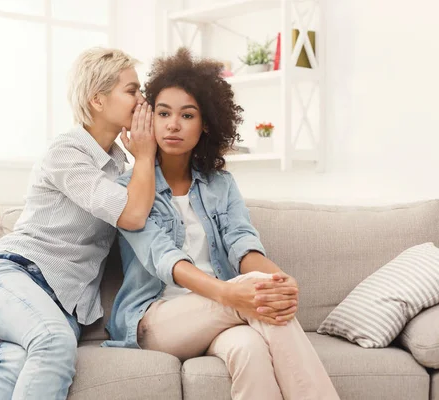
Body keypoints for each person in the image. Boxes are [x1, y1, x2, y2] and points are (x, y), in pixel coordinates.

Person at [104, 48, 340, 400]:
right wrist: (232, 293)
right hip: (155, 320)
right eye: (163, 113)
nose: (172, 124)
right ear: (148, 120)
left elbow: (242, 244)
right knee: (257, 293)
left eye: (187, 115)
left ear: (206, 125)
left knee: (249, 349)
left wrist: (279, 279)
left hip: (219, 313)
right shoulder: (128, 189)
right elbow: (164, 258)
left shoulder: (220, 183)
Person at [0, 47, 157, 400]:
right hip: (10, 279)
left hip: (60, 306)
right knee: (53, 342)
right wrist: (145, 155)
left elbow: (140, 212)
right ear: (97, 100)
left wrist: (143, 159)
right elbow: (132, 214)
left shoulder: (116, 166)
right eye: (131, 90)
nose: (142, 99)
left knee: (9, 374)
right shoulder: (66, 152)